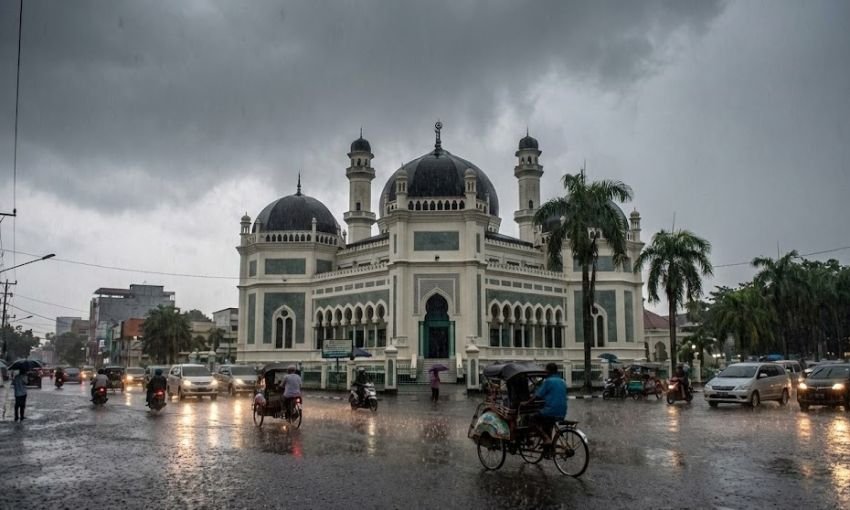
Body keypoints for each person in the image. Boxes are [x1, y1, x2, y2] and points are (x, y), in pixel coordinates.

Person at [525, 363, 568, 453]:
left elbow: (537, 395)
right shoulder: (562, 381)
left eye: (546, 370)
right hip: (562, 411)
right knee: (548, 424)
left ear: (549, 371)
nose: (545, 372)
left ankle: (546, 438)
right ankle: (548, 449)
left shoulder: (548, 381)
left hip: (551, 410)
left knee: (532, 419)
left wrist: (527, 402)